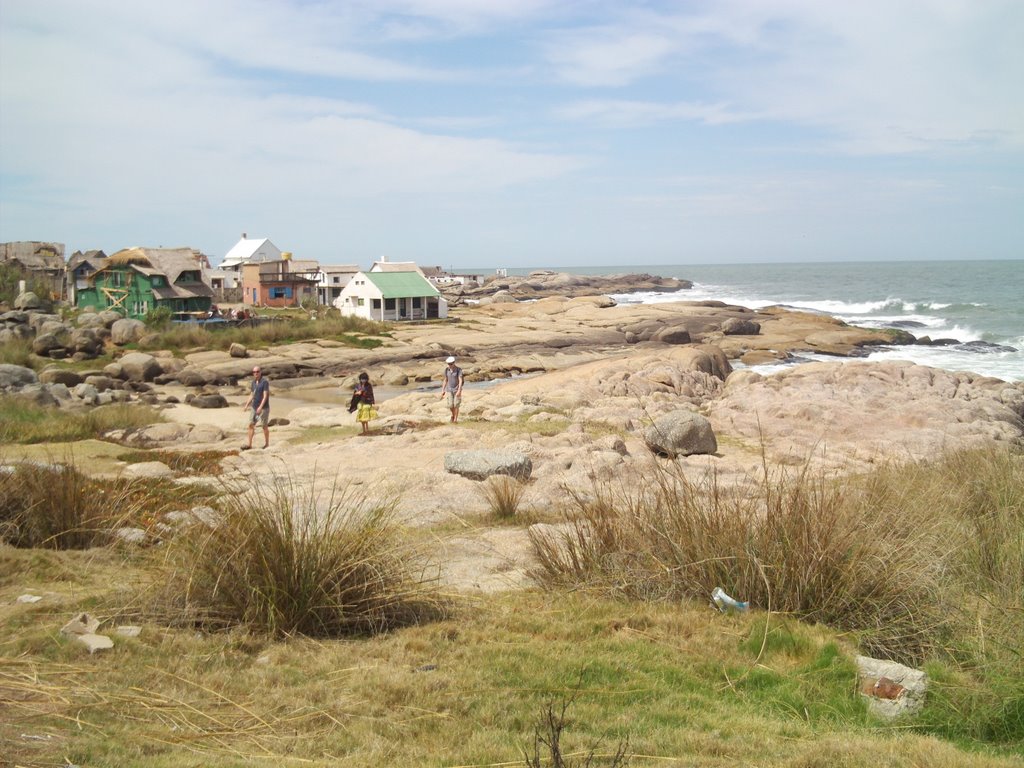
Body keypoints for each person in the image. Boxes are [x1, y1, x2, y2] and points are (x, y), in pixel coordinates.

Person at [242, 365, 270, 450]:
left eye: (257, 371)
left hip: (263, 409)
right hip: (254, 407)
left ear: (260, 372)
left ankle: (267, 444)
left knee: (264, 426)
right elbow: (252, 394)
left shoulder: (264, 382)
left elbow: (265, 396)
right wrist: (247, 405)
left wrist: (260, 407)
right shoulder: (253, 383)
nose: (256, 373)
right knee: (251, 424)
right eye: (254, 372)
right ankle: (249, 445)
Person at [440, 355, 464, 423]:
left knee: (456, 405)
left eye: (451, 364)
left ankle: (455, 420)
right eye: (448, 364)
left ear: (454, 363)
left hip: (456, 389)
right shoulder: (446, 370)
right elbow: (445, 380)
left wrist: (459, 390)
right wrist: (443, 390)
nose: (449, 365)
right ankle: (453, 415)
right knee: (450, 405)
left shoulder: (459, 370)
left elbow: (460, 380)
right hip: (449, 389)